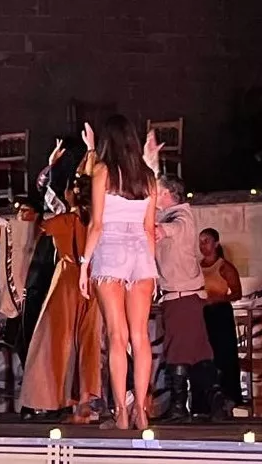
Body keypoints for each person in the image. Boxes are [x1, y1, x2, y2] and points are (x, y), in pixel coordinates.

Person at [78, 116, 162, 431]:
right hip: (141, 253)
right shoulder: (149, 178)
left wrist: (85, 264)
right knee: (141, 337)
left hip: (111, 250)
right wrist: (151, 268)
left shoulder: (102, 172)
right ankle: (141, 409)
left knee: (117, 336)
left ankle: (121, 412)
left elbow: (96, 224)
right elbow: (149, 229)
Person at [12, 138, 103, 423]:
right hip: (92, 280)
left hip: (67, 281)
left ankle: (58, 398)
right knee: (85, 342)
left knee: (56, 342)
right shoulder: (94, 219)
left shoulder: (64, 221)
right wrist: (90, 152)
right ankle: (84, 401)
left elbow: (35, 216)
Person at [154, 176, 228, 422]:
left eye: (157, 191)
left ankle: (178, 405)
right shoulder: (167, 214)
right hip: (184, 295)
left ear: (167, 194)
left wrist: (157, 231)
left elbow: (171, 229)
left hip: (182, 295)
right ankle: (216, 398)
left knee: (177, 351)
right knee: (198, 352)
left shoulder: (181, 217)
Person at [199, 228, 244, 407]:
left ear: (216, 243)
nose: (203, 246)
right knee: (204, 356)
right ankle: (205, 399)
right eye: (201, 242)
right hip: (203, 314)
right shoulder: (197, 267)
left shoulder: (224, 266)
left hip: (220, 313)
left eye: (206, 241)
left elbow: (237, 293)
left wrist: (220, 297)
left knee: (224, 355)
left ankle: (228, 396)